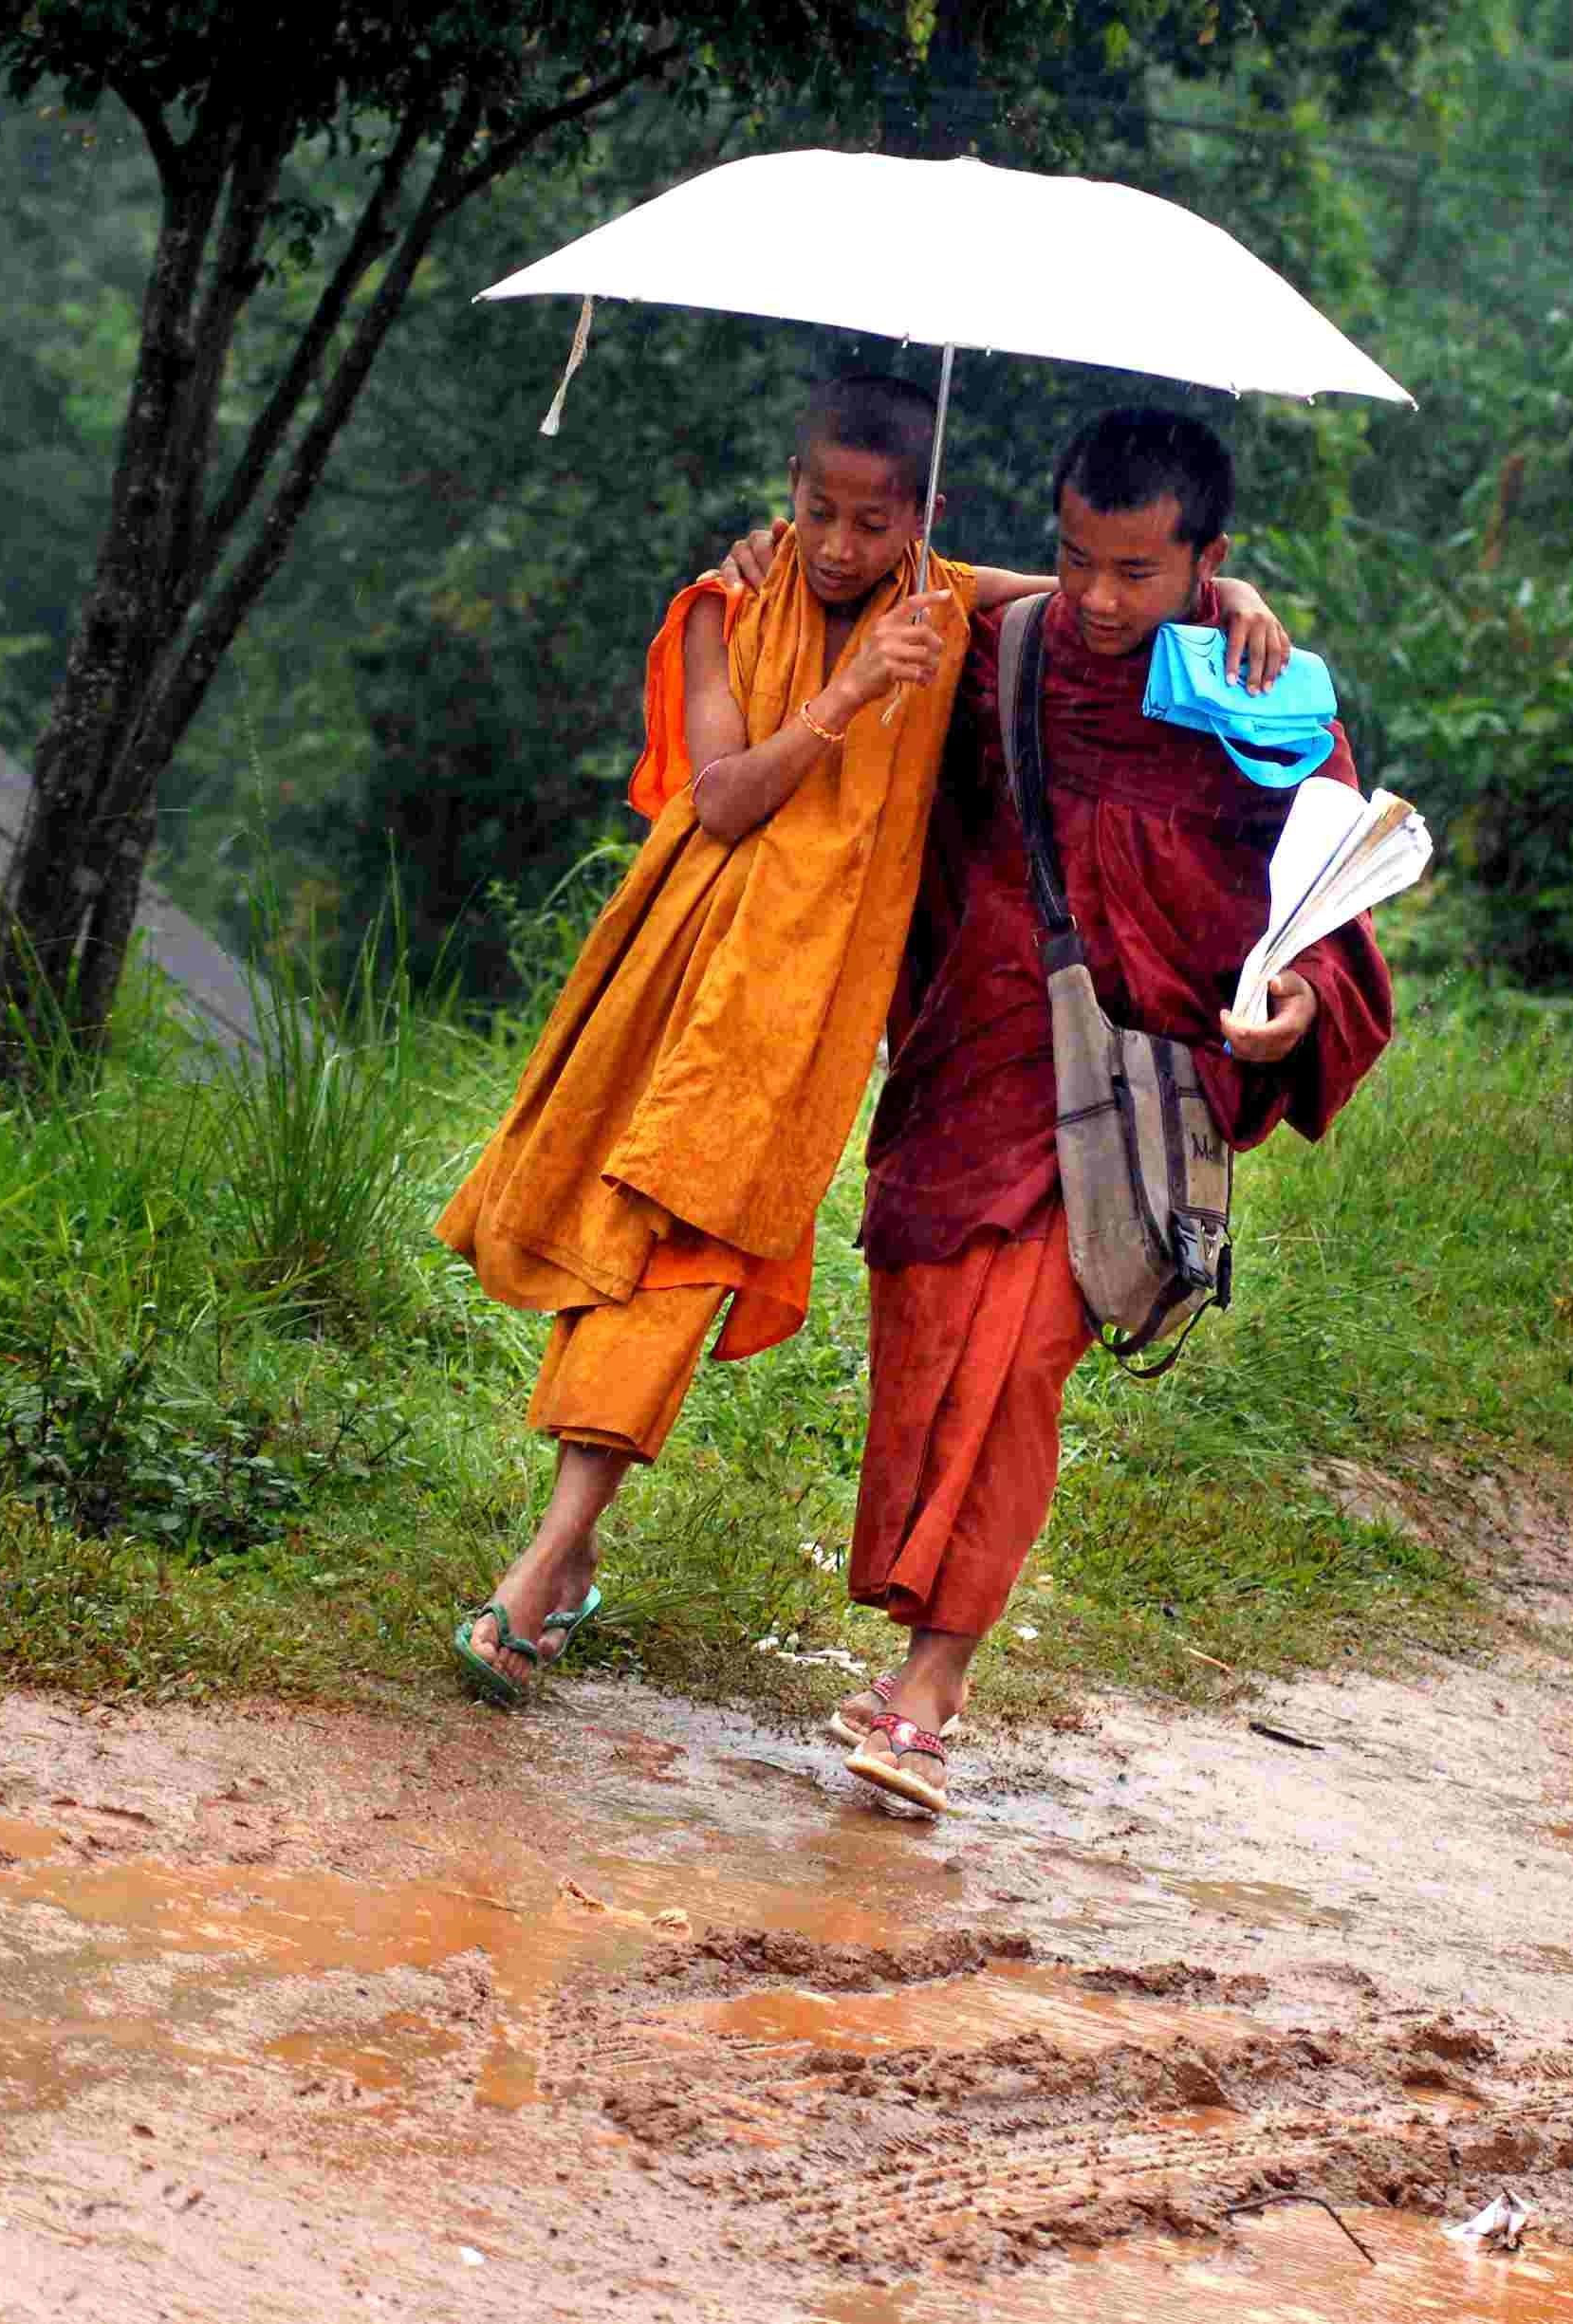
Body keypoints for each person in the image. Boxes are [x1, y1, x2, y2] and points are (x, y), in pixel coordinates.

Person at [438, 374, 1286, 1707]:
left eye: (874, 520)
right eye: (817, 510)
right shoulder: (727, 605)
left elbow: (1070, 601)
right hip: (678, 971)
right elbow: (721, 799)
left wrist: (1226, 601)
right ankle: (557, 1551)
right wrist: (844, 696)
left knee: (679, 1249)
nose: (839, 545)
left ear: (921, 519)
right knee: (628, 1252)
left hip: (808, 1021)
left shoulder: (944, 607)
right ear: (785, 495)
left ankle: (556, 1555)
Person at [827, 408, 1396, 1815]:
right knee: (929, 1332)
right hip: (970, 1052)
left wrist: (1302, 1001)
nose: (1095, 600)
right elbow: (869, 598)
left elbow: (1331, 883)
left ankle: (931, 1684)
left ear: (1209, 560)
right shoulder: (1004, 651)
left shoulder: (1264, 699)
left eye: (1136, 573)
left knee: (1017, 1358)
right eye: (1074, 559)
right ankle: (912, 1646)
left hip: (1129, 1080)